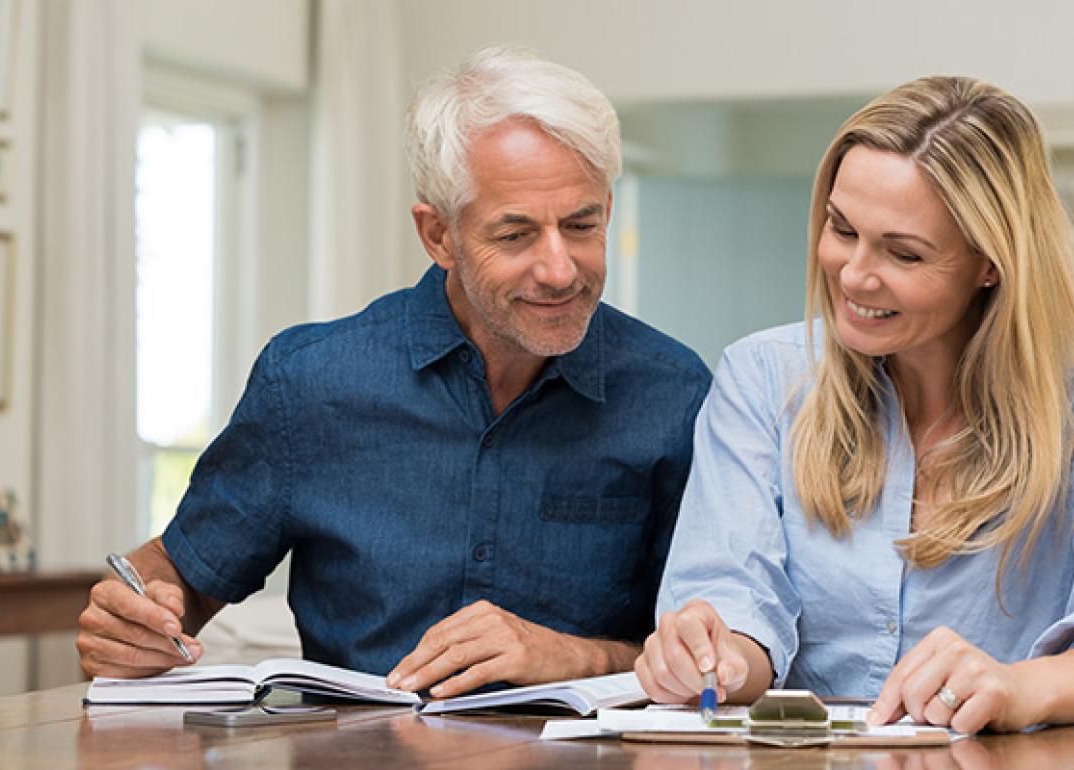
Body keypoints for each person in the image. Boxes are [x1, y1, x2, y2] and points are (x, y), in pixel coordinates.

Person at [76, 45, 711, 698]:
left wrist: (567, 657)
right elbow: (181, 580)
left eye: (582, 225)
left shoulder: (673, 394)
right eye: (515, 235)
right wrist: (132, 624)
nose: (559, 269)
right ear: (438, 235)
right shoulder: (308, 383)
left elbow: (708, 657)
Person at [636, 76, 1074, 734]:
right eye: (842, 229)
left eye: (903, 252)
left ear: (991, 263)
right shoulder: (762, 378)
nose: (853, 275)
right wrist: (715, 655)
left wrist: (1024, 686)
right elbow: (735, 599)